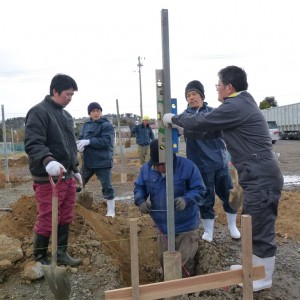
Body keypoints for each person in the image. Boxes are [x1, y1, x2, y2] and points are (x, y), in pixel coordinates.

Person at [163, 65, 283, 291]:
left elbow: (203, 122)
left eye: (218, 84)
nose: (216, 88)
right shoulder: (240, 105)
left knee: (260, 226)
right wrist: (183, 131)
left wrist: (176, 119)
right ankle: (253, 266)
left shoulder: (235, 105)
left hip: (261, 177)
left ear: (229, 87)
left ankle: (263, 278)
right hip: (257, 175)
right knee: (252, 221)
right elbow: (211, 130)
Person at [24, 74, 82, 266]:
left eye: (72, 95)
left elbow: (68, 146)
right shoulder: (39, 112)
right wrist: (47, 160)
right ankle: (41, 258)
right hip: (47, 177)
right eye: (67, 94)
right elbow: (33, 143)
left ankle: (60, 253)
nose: (70, 98)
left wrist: (74, 168)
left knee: (65, 215)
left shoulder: (66, 116)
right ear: (55, 91)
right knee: (48, 216)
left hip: (66, 176)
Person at [134, 139, 206, 277]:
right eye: (158, 165)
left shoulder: (188, 166)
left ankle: (185, 290)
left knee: (185, 259)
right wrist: (140, 200)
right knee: (164, 259)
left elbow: (199, 190)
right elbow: (139, 187)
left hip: (186, 225)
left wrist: (186, 199)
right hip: (163, 227)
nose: (161, 168)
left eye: (165, 164)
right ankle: (167, 286)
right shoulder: (146, 170)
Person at [182, 80, 240, 242]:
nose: (191, 98)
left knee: (229, 194)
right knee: (205, 198)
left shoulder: (214, 113)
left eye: (194, 94)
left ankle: (232, 226)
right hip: (200, 166)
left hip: (220, 163)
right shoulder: (185, 117)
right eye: (188, 95)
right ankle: (208, 231)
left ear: (201, 95)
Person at [77, 102, 115, 217]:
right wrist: (80, 144)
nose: (96, 113)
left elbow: (107, 141)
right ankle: (73, 206)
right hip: (88, 161)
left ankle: (111, 210)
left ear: (101, 112)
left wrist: (88, 142)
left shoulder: (106, 125)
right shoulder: (86, 124)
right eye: (93, 111)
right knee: (78, 183)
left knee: (107, 186)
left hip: (102, 161)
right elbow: (81, 137)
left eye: (98, 110)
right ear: (89, 113)